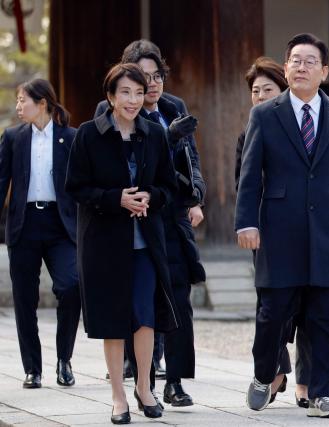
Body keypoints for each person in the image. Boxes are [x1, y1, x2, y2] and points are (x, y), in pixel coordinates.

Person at [235, 33, 329, 418]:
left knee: (325, 316)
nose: (302, 67)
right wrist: (247, 223)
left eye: (311, 61)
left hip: (328, 229)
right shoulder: (265, 114)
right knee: (273, 312)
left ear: (323, 72)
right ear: (287, 66)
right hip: (278, 229)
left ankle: (324, 394)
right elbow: (250, 176)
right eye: (295, 60)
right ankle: (264, 374)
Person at [95, 39, 206, 407]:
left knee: (178, 298)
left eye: (157, 76)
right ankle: (142, 374)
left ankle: (174, 380)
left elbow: (191, 159)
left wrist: (197, 197)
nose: (151, 85)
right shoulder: (107, 112)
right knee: (140, 298)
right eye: (143, 77)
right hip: (131, 219)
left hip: (170, 213)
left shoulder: (175, 107)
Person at [66, 63, 178, 424]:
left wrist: (150, 196)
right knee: (112, 319)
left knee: (144, 317)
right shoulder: (88, 135)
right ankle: (118, 396)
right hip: (102, 243)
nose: (133, 100)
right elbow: (76, 189)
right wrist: (117, 199)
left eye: (138, 92)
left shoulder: (155, 135)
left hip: (145, 242)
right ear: (111, 96)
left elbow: (169, 187)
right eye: (125, 92)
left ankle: (144, 387)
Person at [236, 56, 312, 408]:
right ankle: (275, 369)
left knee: (311, 305)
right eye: (255, 91)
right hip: (267, 232)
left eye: (268, 89)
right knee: (272, 305)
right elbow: (244, 182)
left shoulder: (308, 127)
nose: (261, 96)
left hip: (307, 227)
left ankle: (306, 383)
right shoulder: (248, 132)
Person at [0, 79, 80, 389]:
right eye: (17, 101)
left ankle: (64, 359)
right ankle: (32, 368)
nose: (19, 107)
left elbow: (80, 185)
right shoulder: (12, 138)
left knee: (71, 286)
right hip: (24, 225)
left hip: (61, 226)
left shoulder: (70, 139)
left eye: (23, 101)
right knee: (24, 299)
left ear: (43, 103)